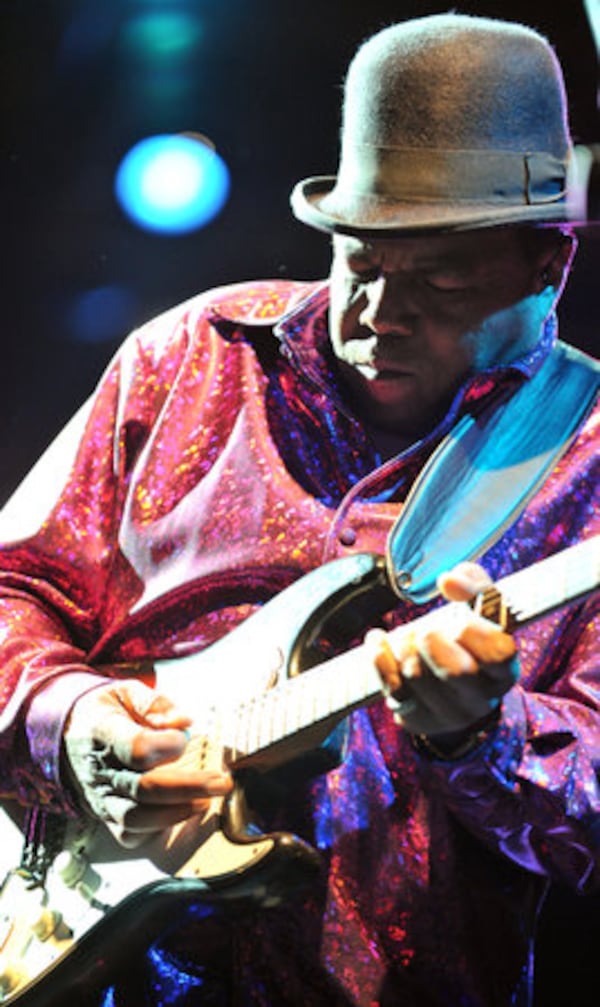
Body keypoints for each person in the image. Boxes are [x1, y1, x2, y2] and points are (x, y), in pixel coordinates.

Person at [0, 11, 598, 1007]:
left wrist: (476, 735)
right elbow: (11, 586)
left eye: (441, 280)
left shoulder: (584, 468)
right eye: (359, 260)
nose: (374, 314)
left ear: (549, 269)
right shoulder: (188, 355)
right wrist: (75, 719)